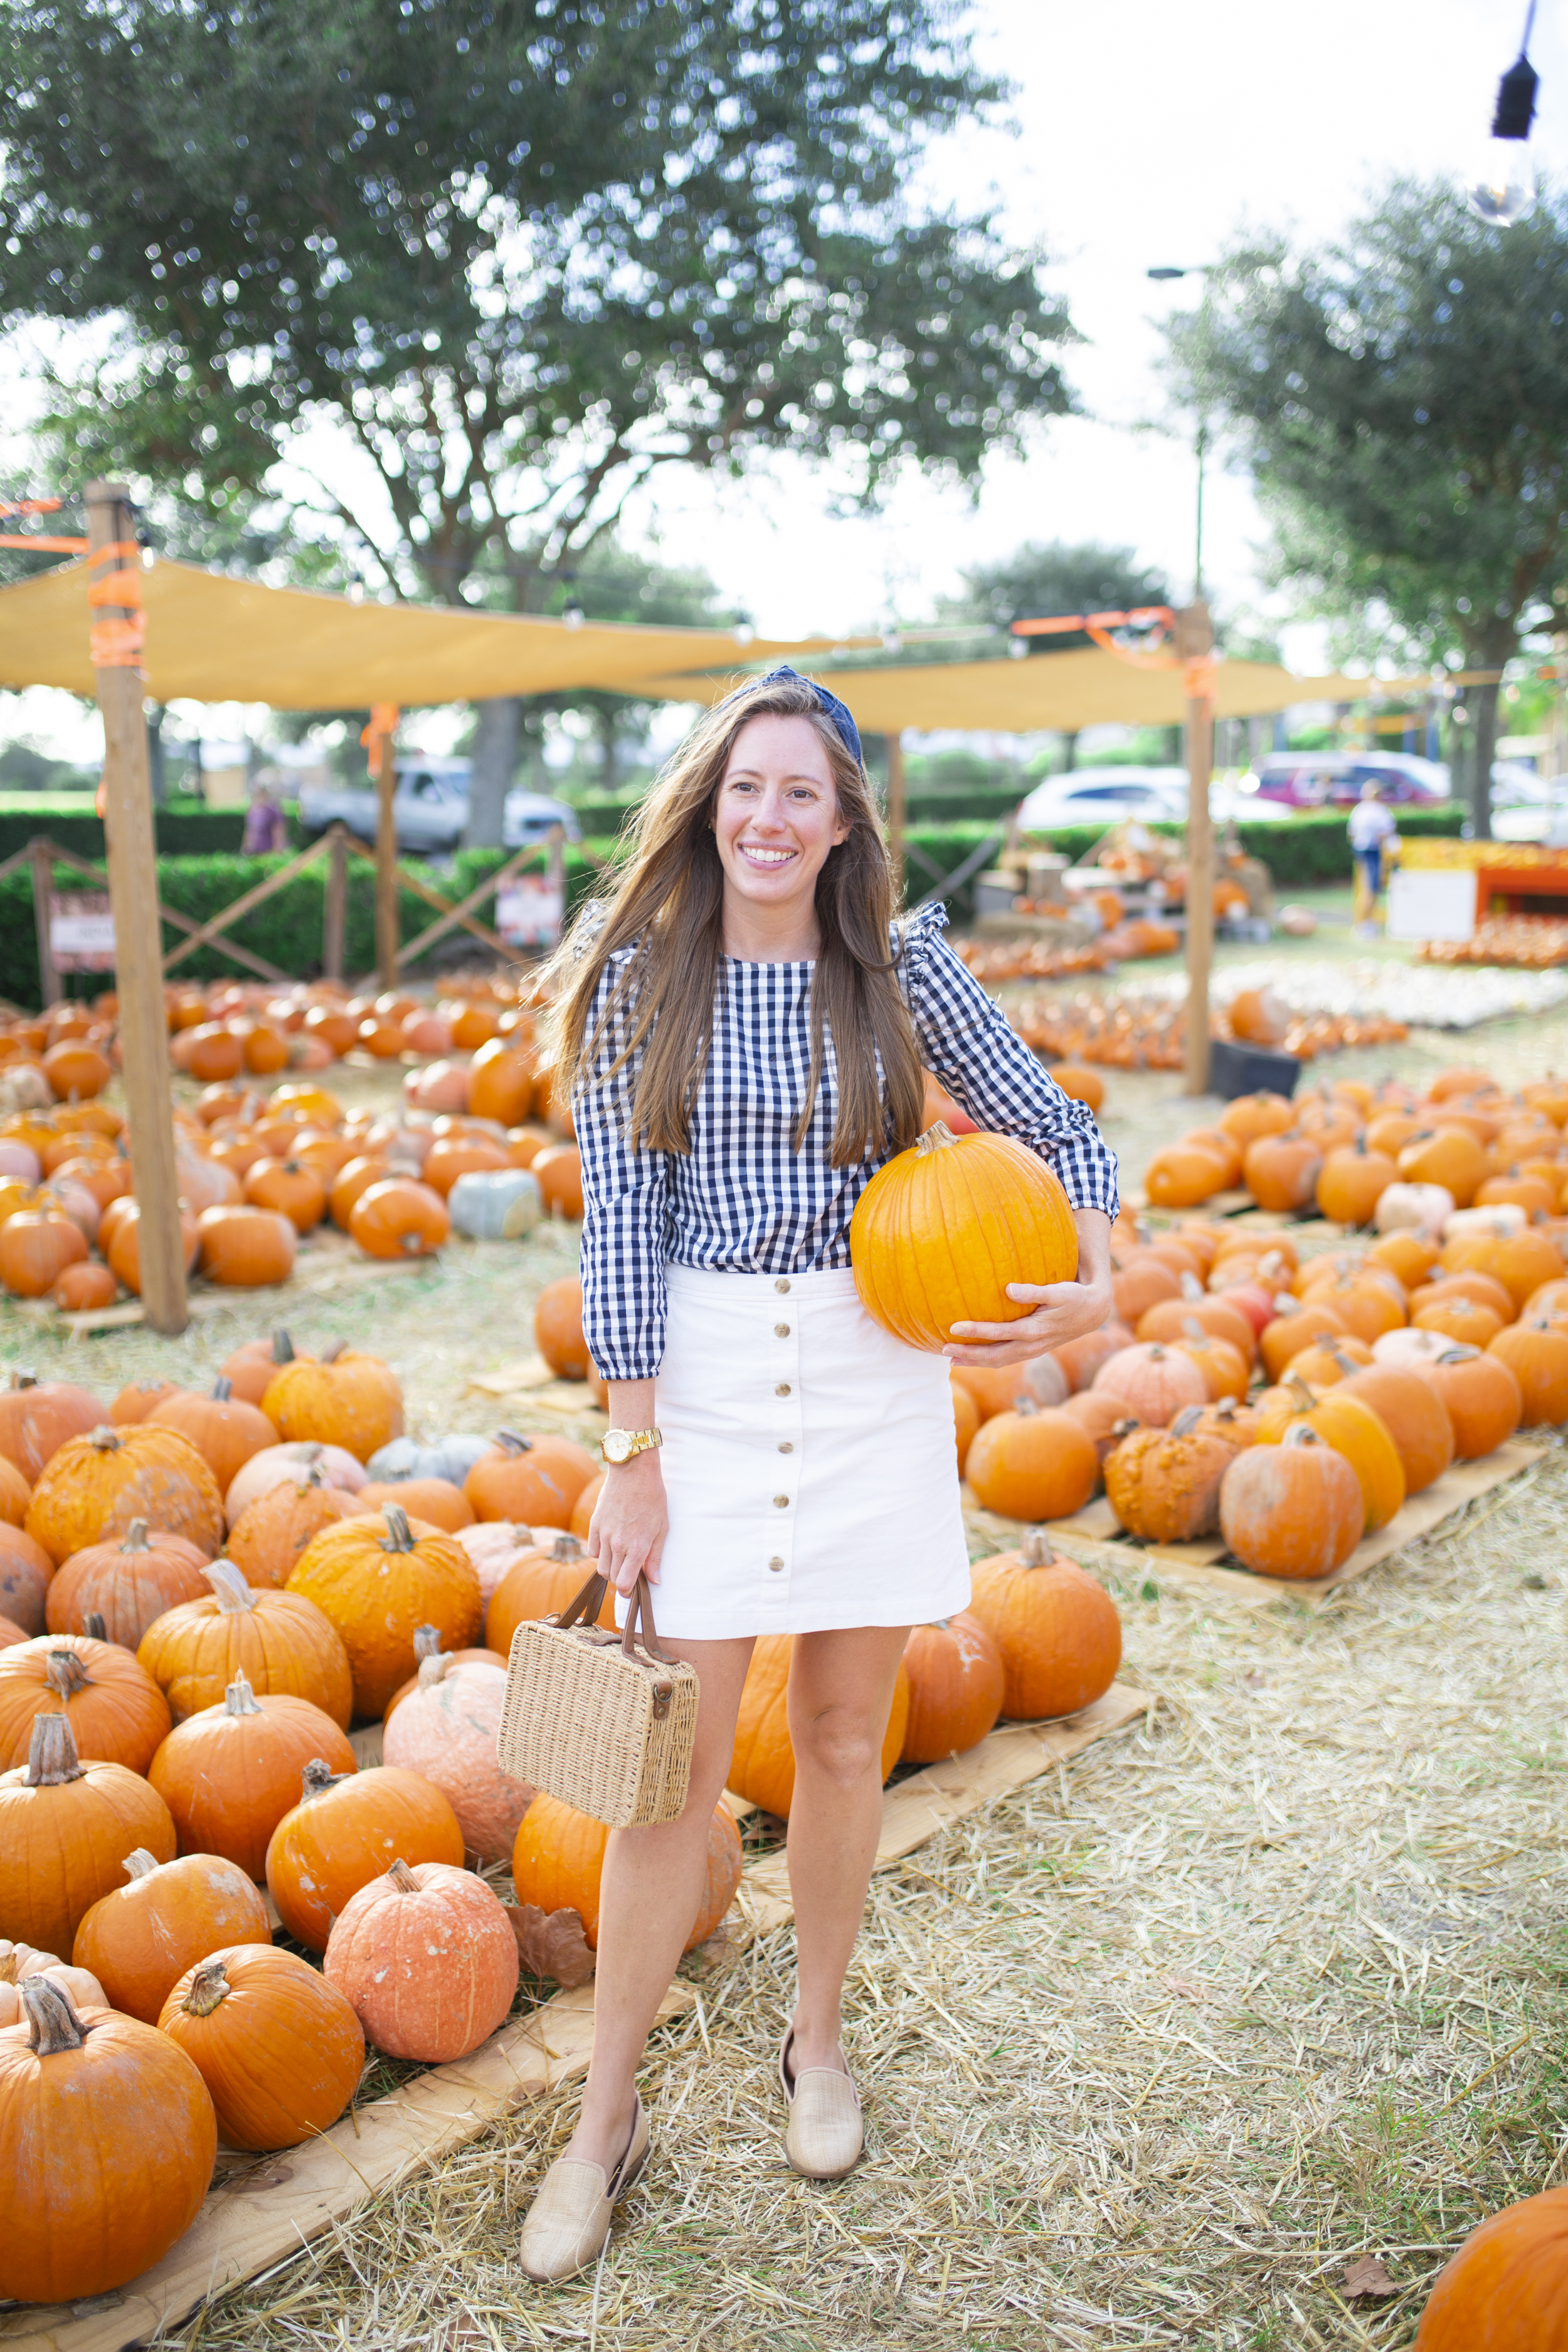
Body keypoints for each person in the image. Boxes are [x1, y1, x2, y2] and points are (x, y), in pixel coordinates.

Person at [515, 668, 1119, 2285]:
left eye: (802, 791)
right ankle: (605, 2114)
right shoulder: (651, 973)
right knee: (673, 1782)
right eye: (744, 787)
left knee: (847, 1734)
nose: (768, 816)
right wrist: (630, 1448)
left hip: (871, 1374)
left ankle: (818, 2041)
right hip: (705, 1386)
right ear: (708, 805)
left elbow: (1062, 1136)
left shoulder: (901, 966)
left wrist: (1099, 1272)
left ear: (846, 816)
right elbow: (621, 1230)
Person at [1348, 781, 1397, 936]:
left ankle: (1364, 922)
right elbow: (1386, 833)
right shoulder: (1379, 811)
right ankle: (1365, 923)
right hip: (1373, 850)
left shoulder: (1360, 810)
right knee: (1371, 888)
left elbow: (1351, 834)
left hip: (1361, 850)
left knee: (1366, 886)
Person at [241, 783, 289, 856]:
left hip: (267, 852)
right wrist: (245, 847)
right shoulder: (252, 812)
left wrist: (278, 851)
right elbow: (249, 831)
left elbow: (278, 831)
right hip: (254, 851)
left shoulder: (272, 812)